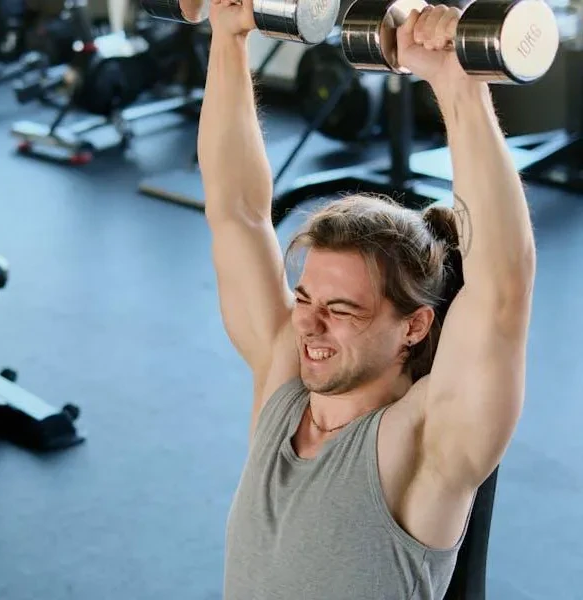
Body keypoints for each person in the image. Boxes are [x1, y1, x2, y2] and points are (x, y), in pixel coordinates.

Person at [199, 2, 536, 599]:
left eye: (343, 310)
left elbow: (502, 291)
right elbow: (236, 213)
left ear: (414, 326)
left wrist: (458, 89)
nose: (309, 324)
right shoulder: (285, 381)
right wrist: (229, 39)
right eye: (305, 297)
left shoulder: (426, 442)